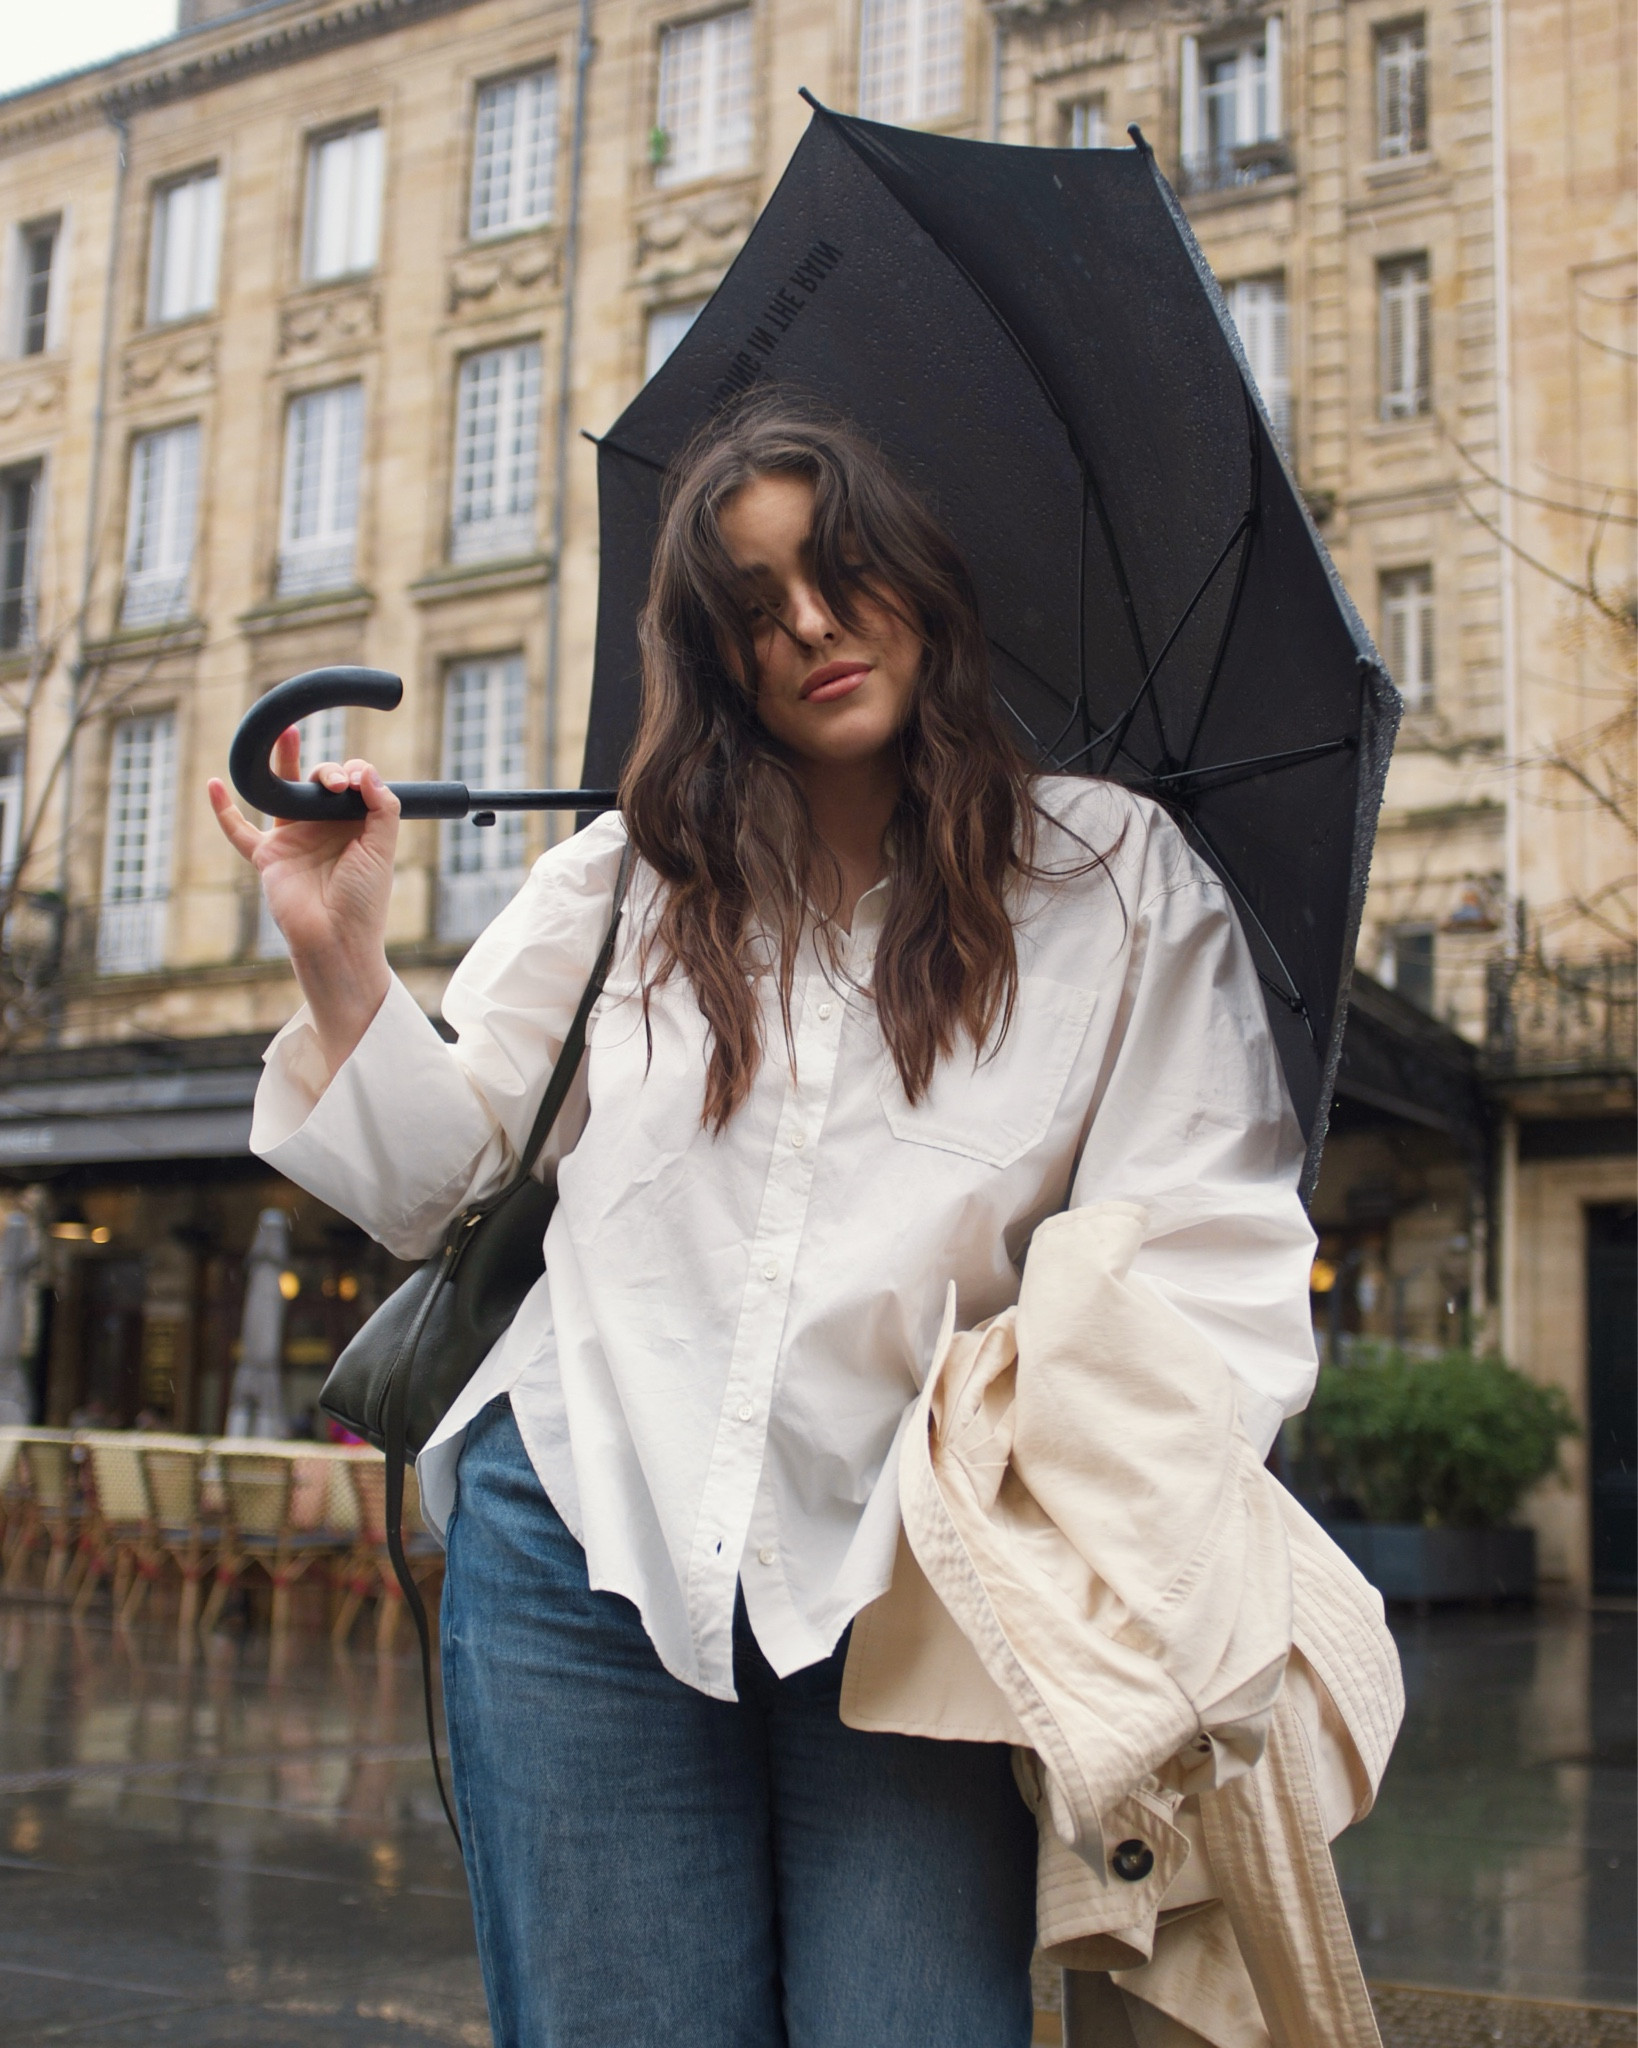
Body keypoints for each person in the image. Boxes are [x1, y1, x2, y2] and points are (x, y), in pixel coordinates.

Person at [208, 394, 1319, 2048]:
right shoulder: (619, 884)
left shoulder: (1117, 884)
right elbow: (437, 1184)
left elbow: (1209, 1263)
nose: (805, 624)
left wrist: (1078, 1523)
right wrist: (338, 949)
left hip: (913, 1598)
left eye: (840, 569)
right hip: (580, 1535)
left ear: (924, 585)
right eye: (748, 606)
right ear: (714, 658)